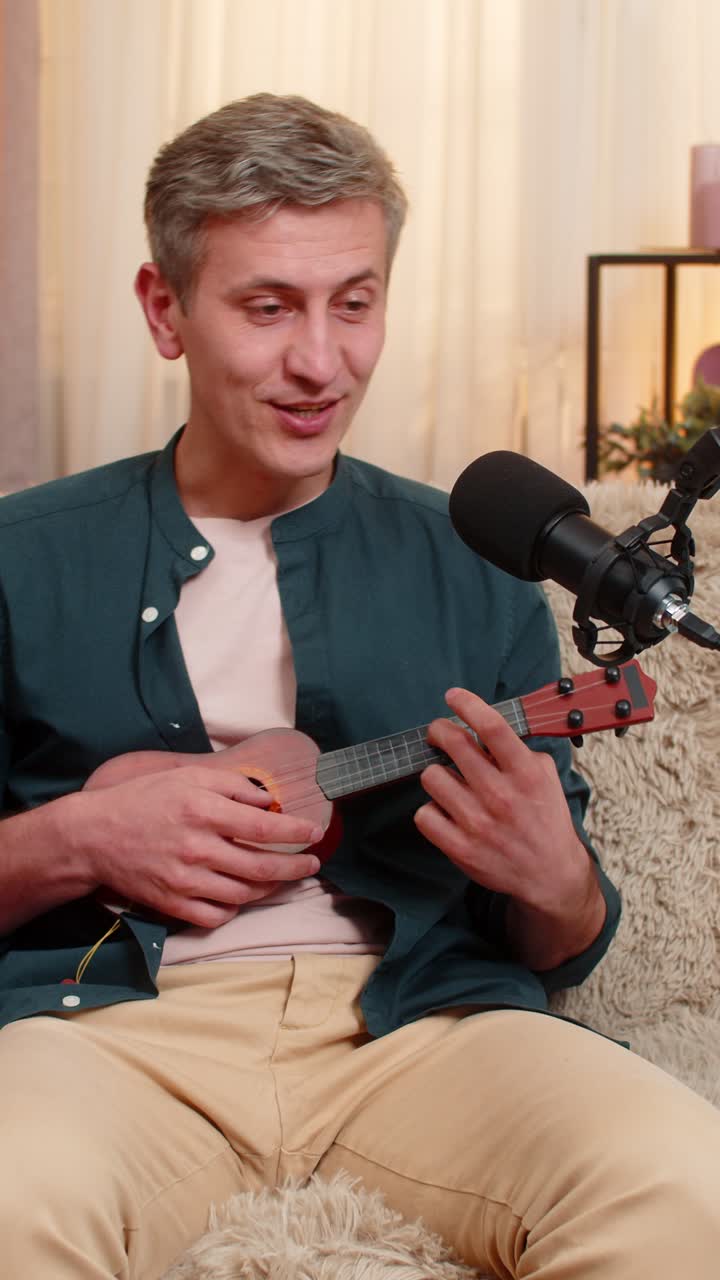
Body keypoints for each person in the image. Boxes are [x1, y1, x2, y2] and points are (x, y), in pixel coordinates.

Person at [0, 92, 718, 1280]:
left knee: (687, 1185)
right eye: (267, 305)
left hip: (420, 1030)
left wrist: (559, 886)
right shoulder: (23, 556)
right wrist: (77, 839)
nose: (320, 362)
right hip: (112, 1036)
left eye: (356, 302)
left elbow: (562, 936)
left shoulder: (483, 556)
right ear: (164, 309)